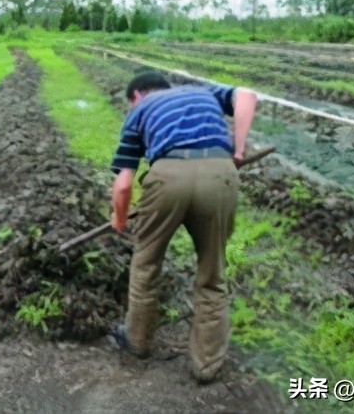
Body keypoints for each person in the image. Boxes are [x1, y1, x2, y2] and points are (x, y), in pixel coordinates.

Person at [108, 72, 257, 383]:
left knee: (147, 262)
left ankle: (136, 341)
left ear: (137, 95)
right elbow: (246, 95)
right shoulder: (203, 91)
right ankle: (207, 365)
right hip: (220, 174)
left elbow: (123, 186)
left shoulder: (139, 111)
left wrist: (120, 220)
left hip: (168, 176)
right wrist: (239, 150)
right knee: (212, 271)